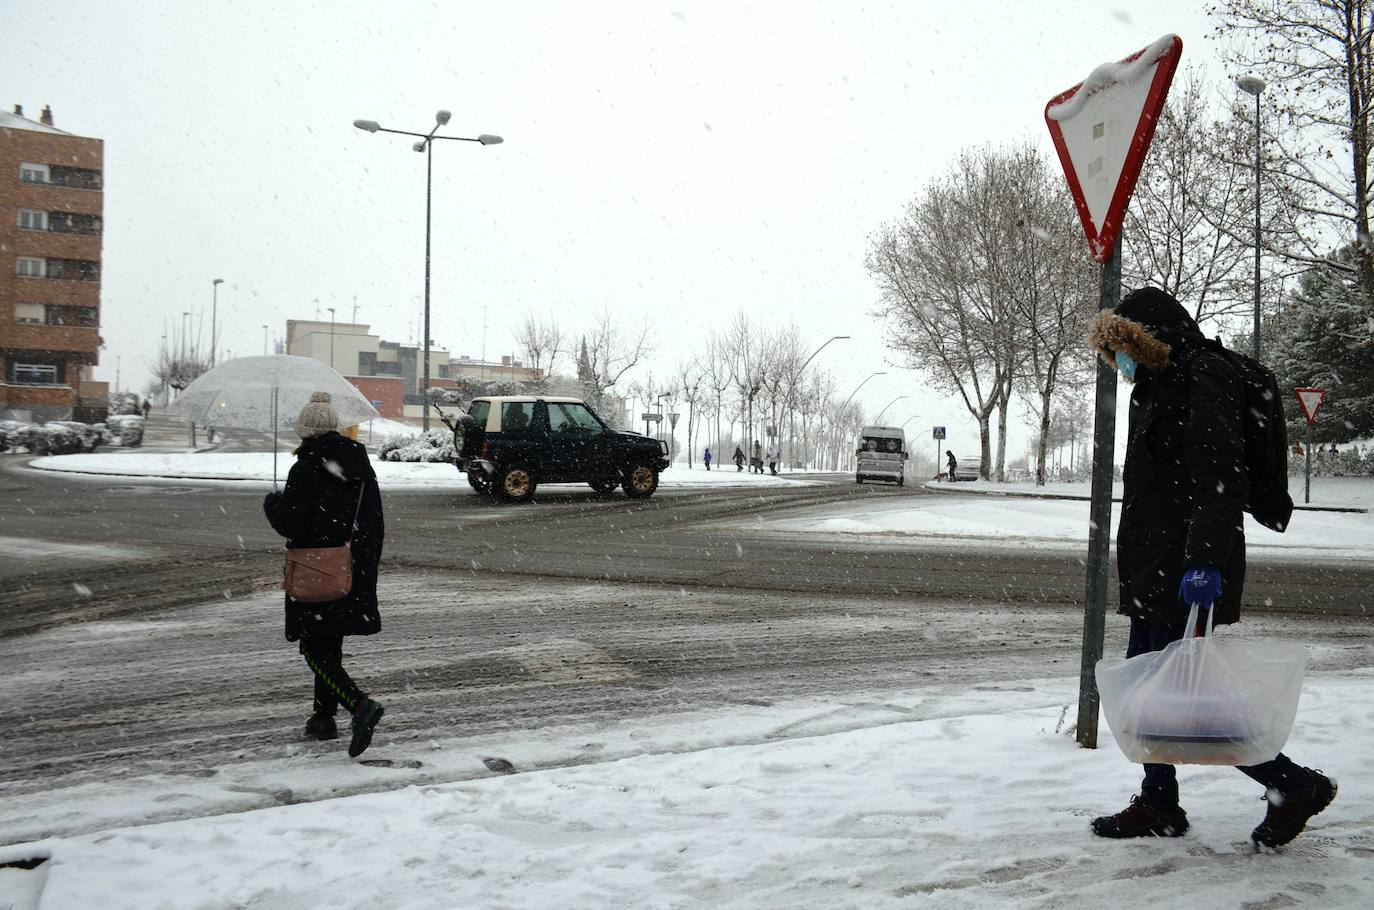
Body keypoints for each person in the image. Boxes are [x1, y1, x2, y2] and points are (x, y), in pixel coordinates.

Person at [1086, 287, 1334, 849]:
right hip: (1151, 564)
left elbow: (1219, 480)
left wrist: (1203, 564)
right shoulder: (1152, 386)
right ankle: (1159, 803)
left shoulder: (1204, 376)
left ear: (1146, 339)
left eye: (1122, 348)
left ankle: (1291, 784)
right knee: (1150, 693)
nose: (1119, 363)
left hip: (1186, 566)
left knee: (1195, 703)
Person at [263, 391, 387, 758]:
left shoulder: (305, 468)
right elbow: (374, 522)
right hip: (352, 565)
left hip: (316, 567)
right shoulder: (361, 467)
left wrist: (273, 506)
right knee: (328, 640)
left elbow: (292, 524)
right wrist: (361, 562)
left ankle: (359, 704)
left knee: (313, 645)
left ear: (305, 431)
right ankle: (323, 717)